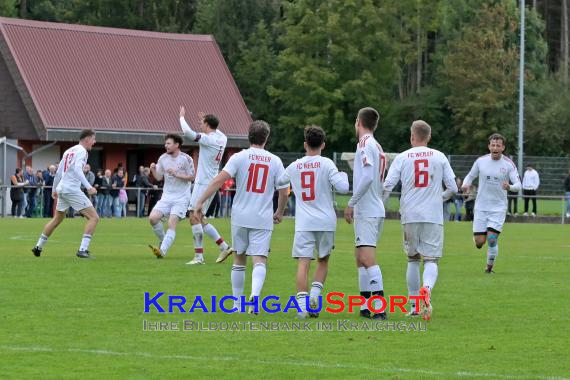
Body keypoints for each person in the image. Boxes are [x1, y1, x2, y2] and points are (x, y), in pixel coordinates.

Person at [193, 120, 288, 313]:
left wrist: (200, 200)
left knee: (239, 259)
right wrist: (279, 211)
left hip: (240, 216)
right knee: (260, 259)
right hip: (262, 217)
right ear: (266, 138)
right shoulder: (275, 160)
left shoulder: (239, 157)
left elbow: (219, 179)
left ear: (248, 136)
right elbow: (285, 191)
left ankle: (237, 305)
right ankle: (255, 295)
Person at [383, 120, 457, 321]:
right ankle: (427, 288)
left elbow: (388, 185)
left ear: (412, 136)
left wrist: (379, 204)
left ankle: (415, 306)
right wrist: (439, 198)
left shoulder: (402, 157)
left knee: (413, 259)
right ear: (429, 137)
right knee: (431, 260)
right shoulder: (439, 156)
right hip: (432, 215)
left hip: (410, 214)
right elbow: (453, 188)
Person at [277, 125, 349, 319]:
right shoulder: (327, 164)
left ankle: (301, 309)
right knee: (323, 260)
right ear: (323, 145)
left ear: (305, 144)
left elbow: (279, 182)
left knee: (303, 263)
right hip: (326, 221)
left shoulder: (295, 165)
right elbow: (343, 188)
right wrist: (345, 175)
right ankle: (315, 297)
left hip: (304, 222)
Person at [343, 107, 388, 320]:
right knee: (359, 258)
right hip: (374, 207)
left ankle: (379, 308)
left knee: (367, 258)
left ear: (358, 122)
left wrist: (351, 203)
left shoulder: (364, 144)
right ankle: (364, 306)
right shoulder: (377, 145)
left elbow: (368, 176)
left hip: (368, 210)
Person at [31, 129, 99, 259]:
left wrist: (54, 189)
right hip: (71, 189)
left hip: (63, 188)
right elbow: (78, 170)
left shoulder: (69, 150)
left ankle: (38, 247)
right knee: (94, 218)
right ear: (87, 139)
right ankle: (82, 250)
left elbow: (59, 172)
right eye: (93, 139)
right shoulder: (82, 151)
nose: (94, 142)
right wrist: (89, 187)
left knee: (58, 219)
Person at [179, 106, 234, 265]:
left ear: (208, 125)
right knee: (200, 217)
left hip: (204, 182)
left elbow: (188, 134)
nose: (200, 125)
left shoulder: (208, 139)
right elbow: (216, 129)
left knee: (193, 215)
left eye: (202, 123)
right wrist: (208, 119)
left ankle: (199, 257)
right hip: (210, 181)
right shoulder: (222, 137)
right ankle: (224, 246)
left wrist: (182, 117)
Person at [461, 133, 521, 274]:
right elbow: (470, 175)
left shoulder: (508, 164)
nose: (495, 148)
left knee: (492, 239)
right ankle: (480, 237)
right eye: (493, 145)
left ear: (503, 147)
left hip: (498, 207)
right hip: (481, 207)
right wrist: (465, 185)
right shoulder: (480, 161)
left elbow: (519, 184)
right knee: (479, 242)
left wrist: (510, 187)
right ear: (489, 146)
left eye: (498, 145)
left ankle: (489, 267)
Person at [148, 134, 195, 258]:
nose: (166, 146)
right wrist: (153, 169)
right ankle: (163, 242)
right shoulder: (163, 158)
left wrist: (177, 174)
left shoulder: (186, 159)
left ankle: (162, 251)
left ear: (177, 145)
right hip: (166, 197)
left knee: (171, 223)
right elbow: (158, 177)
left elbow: (192, 177)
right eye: (165, 143)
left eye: (168, 143)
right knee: (153, 218)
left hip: (182, 197)